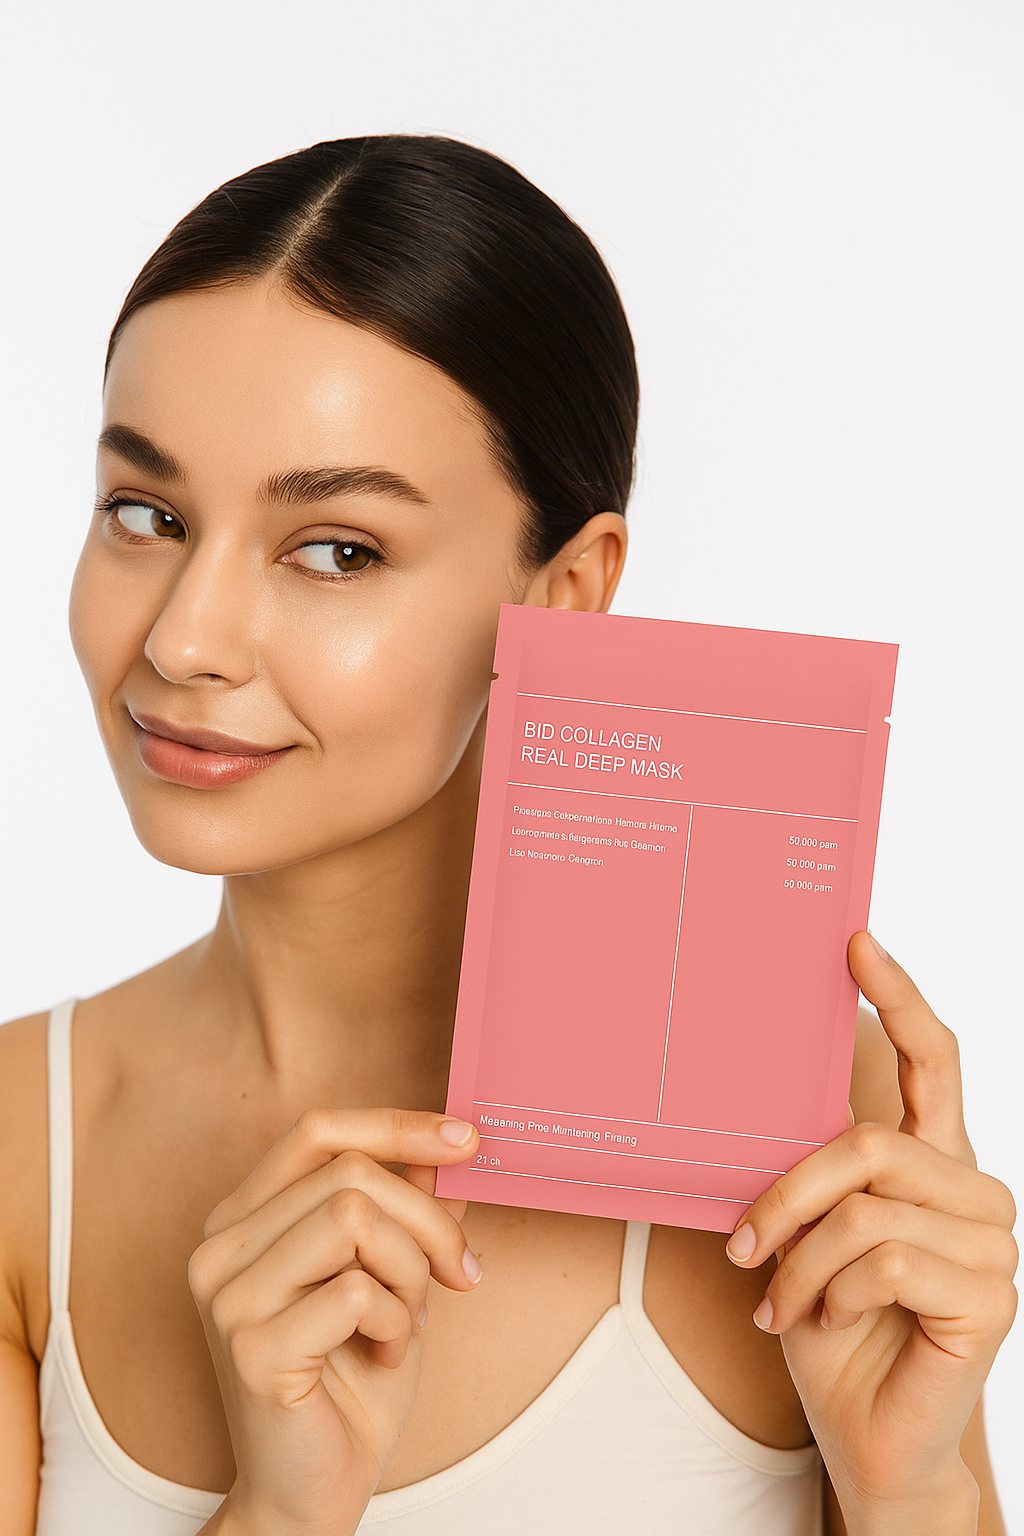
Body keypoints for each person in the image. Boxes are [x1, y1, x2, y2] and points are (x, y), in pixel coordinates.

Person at [0, 135, 1015, 1536]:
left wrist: (913, 1489)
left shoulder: (804, 1138)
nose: (183, 639)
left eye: (336, 548)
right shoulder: (18, 1144)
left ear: (565, 592)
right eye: (146, 513)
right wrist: (281, 1512)